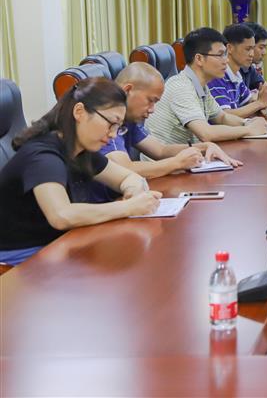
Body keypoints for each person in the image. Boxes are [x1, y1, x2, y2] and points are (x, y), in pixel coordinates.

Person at [0, 78, 161, 265]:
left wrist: (133, 192)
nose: (113, 134)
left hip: (57, 243)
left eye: (118, 127)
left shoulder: (80, 150)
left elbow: (128, 177)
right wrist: (128, 207)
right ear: (79, 112)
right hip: (19, 256)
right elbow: (61, 215)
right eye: (111, 123)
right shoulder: (43, 156)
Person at [86, 63, 242, 202]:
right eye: (150, 100)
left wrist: (204, 147)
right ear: (128, 90)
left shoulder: (129, 118)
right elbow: (125, 169)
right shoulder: (105, 118)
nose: (152, 110)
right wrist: (176, 163)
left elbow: (160, 150)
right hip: (102, 205)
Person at [146, 27, 267, 144]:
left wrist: (247, 122)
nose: (226, 60)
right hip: (171, 158)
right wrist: (248, 130)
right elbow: (206, 133)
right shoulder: (181, 87)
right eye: (220, 55)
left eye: (225, 54)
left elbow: (222, 117)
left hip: (191, 154)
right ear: (199, 59)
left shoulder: (201, 86)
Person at [208, 23, 267, 117]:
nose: (251, 54)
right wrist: (259, 103)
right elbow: (225, 115)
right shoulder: (218, 76)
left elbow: (249, 102)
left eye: (253, 49)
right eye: (248, 49)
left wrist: (261, 104)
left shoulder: (236, 75)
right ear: (230, 48)